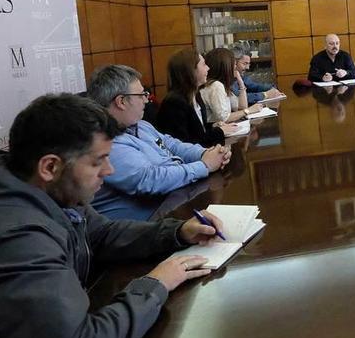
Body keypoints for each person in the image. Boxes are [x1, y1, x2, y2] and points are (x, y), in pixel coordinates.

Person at [0, 93, 225, 338]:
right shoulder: (13, 239)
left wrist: (176, 232)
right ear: (50, 166)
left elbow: (101, 233)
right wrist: (155, 285)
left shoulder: (46, 187)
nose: (109, 170)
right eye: (98, 161)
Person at [88, 65, 230, 220]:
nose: (146, 99)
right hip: (144, 228)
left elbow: (174, 146)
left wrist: (206, 153)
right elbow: (149, 180)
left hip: (175, 206)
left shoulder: (141, 125)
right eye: (141, 95)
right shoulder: (106, 142)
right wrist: (204, 166)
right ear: (121, 102)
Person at [156, 48, 232, 147]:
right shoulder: (174, 103)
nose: (208, 68)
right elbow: (185, 144)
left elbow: (198, 129)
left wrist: (213, 126)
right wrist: (219, 132)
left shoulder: (196, 95)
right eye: (204, 64)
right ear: (191, 70)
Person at [201, 47, 264, 123]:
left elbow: (241, 107)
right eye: (233, 64)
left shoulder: (223, 85)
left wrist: (241, 83)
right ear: (225, 67)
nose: (235, 67)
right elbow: (224, 118)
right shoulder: (216, 86)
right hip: (215, 130)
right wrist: (249, 110)